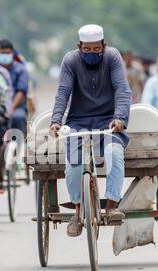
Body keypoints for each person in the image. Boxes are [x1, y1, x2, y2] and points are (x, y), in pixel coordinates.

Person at [50, 24, 131, 237]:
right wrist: (56, 120)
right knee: (73, 164)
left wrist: (120, 118)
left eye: (97, 49)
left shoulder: (113, 57)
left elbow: (122, 89)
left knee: (114, 154)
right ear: (79, 47)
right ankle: (78, 210)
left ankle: (112, 205)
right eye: (87, 49)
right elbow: (63, 92)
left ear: (104, 45)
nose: (92, 53)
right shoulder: (70, 60)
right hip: (78, 121)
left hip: (109, 121)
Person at [0, 39, 30, 137]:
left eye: (7, 53)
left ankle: (20, 147)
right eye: (2, 53)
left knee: (17, 117)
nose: (4, 55)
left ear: (12, 53)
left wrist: (11, 108)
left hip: (16, 106)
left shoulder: (21, 69)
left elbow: (21, 91)